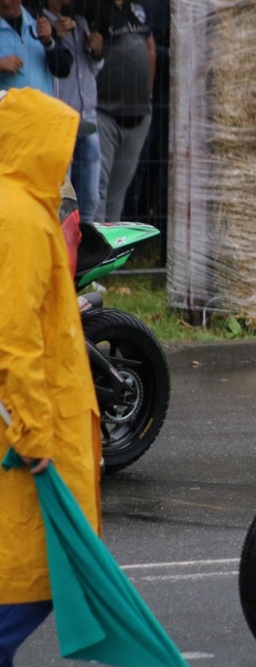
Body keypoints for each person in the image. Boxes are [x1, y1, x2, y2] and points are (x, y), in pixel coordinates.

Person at [0, 86, 102, 667]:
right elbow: (14, 337)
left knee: (41, 573)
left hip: (29, 422)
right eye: (61, 146)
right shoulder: (19, 218)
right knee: (32, 578)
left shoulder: (19, 207)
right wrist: (34, 433)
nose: (67, 161)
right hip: (30, 431)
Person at [84, 0, 155, 223]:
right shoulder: (93, 8)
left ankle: (111, 243)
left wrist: (148, 94)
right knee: (98, 189)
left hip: (139, 114)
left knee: (118, 192)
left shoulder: (137, 9)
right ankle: (96, 242)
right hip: (105, 112)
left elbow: (149, 47)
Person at [42, 0, 104, 223]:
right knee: (63, 197)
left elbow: (93, 69)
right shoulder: (40, 25)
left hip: (87, 115)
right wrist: (53, 39)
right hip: (59, 119)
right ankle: (62, 243)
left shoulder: (81, 23)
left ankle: (87, 242)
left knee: (90, 197)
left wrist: (97, 52)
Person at [0, 0, 70, 94]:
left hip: (42, 102)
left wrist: (49, 43)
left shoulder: (39, 22)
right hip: (9, 103)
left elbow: (64, 70)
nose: (6, 2)